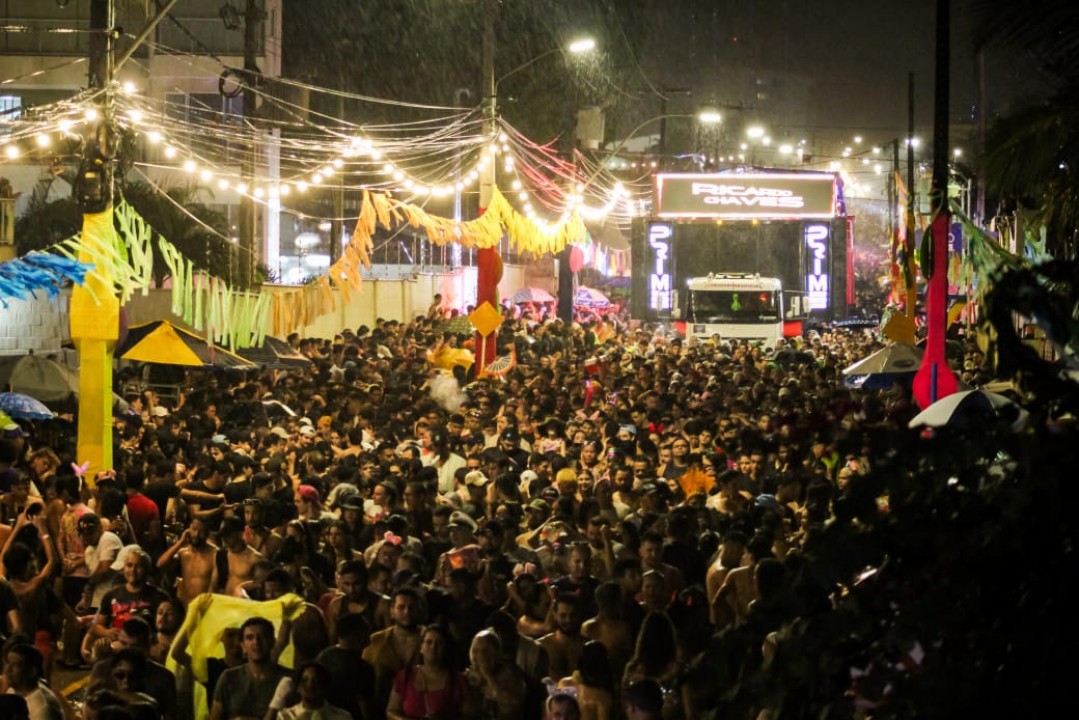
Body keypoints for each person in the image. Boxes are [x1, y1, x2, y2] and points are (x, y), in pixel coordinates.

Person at [210, 616, 289, 720]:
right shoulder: (228, 677)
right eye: (250, 637)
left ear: (272, 642)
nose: (256, 642)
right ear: (243, 645)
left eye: (262, 636)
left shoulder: (289, 679)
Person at [386, 624, 468, 720]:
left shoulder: (457, 681)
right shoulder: (406, 676)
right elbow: (391, 711)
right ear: (421, 647)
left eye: (439, 643)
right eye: (429, 642)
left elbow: (468, 716)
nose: (433, 647)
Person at [363, 587, 424, 716]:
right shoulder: (376, 640)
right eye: (401, 607)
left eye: (411, 607)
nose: (407, 612)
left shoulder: (430, 639)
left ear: (419, 611)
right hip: (380, 709)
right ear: (392, 611)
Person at [315, 612, 376, 720]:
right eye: (366, 630)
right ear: (356, 634)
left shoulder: (323, 656)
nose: (369, 634)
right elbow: (366, 707)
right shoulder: (362, 668)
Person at [157, 516, 218, 605]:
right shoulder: (183, 553)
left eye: (201, 531)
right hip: (185, 606)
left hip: (206, 606)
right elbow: (160, 565)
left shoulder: (215, 554)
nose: (196, 534)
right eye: (194, 529)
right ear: (188, 529)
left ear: (207, 533)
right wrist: (180, 542)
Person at [272, 661, 352, 720]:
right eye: (304, 680)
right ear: (298, 688)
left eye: (316, 680)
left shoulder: (342, 717)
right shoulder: (286, 716)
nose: (310, 685)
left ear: (324, 686)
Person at [2, 643, 62, 720]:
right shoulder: (13, 690)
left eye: (16, 665)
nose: (8, 669)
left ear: (32, 672)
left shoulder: (42, 708)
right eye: (7, 662)